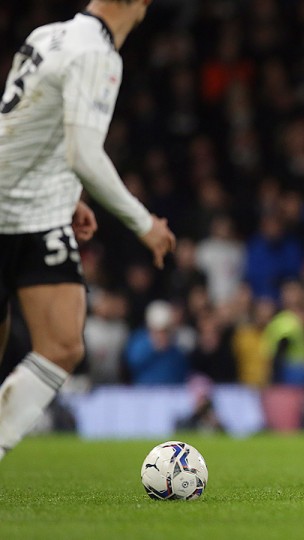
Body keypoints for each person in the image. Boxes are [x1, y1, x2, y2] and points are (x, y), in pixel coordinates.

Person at [0, 0, 176, 461]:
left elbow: (21, 130)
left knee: (62, 344)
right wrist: (144, 224)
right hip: (18, 216)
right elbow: (84, 154)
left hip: (32, 214)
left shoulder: (48, 35)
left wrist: (67, 194)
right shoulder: (96, 54)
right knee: (59, 346)